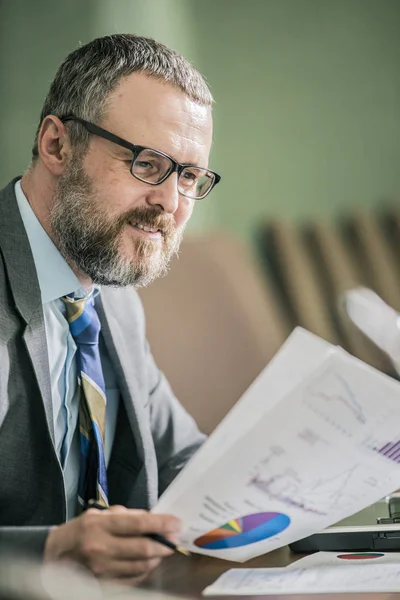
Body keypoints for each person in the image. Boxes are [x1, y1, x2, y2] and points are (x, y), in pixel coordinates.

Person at [0, 33, 220, 584]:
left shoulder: (109, 295)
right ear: (57, 146)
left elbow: (180, 461)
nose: (170, 203)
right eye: (148, 164)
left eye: (189, 177)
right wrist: (49, 552)